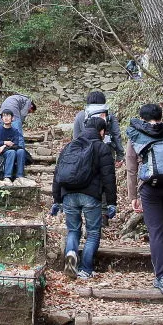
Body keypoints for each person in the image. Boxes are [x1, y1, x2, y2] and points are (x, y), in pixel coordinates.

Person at [125, 103, 163, 294]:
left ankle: (162, 277)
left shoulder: (136, 134)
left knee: (155, 231)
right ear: (161, 116)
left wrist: (133, 196)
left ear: (142, 118)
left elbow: (131, 168)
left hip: (150, 189)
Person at [51, 116, 118, 280]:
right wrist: (111, 203)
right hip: (91, 196)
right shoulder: (102, 148)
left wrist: (57, 199)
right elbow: (109, 177)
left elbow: (57, 173)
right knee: (93, 233)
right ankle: (85, 269)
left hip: (68, 195)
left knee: (73, 230)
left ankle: (72, 253)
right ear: (101, 131)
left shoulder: (70, 146)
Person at [72, 90, 124, 162]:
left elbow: (76, 138)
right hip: (107, 151)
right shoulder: (109, 114)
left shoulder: (80, 115)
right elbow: (116, 135)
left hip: (86, 153)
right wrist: (120, 154)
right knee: (107, 172)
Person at [0, 110, 27, 184]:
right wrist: (5, 142)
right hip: (0, 153)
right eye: (4, 116)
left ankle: (20, 176)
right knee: (12, 152)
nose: (6, 118)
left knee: (21, 151)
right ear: (2, 118)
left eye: (8, 116)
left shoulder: (15, 131)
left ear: (12, 118)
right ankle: (7, 177)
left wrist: (3, 146)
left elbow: (15, 144)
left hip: (7, 149)